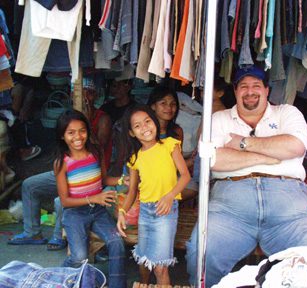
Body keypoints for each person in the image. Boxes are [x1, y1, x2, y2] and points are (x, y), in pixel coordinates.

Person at [186, 66, 307, 287]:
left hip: (289, 213)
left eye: (256, 86)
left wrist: (243, 144)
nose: (250, 91)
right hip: (230, 211)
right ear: (235, 91)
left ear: (267, 90)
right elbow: (213, 160)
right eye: (244, 86)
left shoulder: (287, 113)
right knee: (201, 253)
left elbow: (296, 146)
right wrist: (269, 157)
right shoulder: (218, 119)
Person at [8, 78, 113, 251]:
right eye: (77, 93)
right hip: (70, 169)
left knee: (60, 201)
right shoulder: (71, 117)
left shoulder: (102, 119)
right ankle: (32, 232)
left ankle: (59, 236)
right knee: (30, 185)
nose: (82, 97)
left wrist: (86, 122)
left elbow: (97, 149)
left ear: (94, 95)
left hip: (90, 176)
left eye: (88, 92)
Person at [117, 105, 191, 285]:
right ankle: (145, 283)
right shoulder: (135, 158)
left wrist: (170, 196)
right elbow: (133, 191)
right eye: (137, 126)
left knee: (160, 267)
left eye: (148, 121)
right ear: (132, 133)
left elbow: (185, 176)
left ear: (155, 122)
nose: (145, 128)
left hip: (165, 211)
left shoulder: (170, 145)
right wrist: (122, 212)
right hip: (145, 212)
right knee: (144, 260)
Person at [54, 109, 126, 288]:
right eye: (70, 132)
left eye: (82, 130)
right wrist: (94, 198)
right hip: (75, 214)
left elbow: (105, 180)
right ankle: (59, 276)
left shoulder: (96, 152)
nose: (77, 136)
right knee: (79, 258)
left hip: (98, 211)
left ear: (87, 131)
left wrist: (125, 180)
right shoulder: (61, 162)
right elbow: (65, 201)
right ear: (62, 136)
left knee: (117, 242)